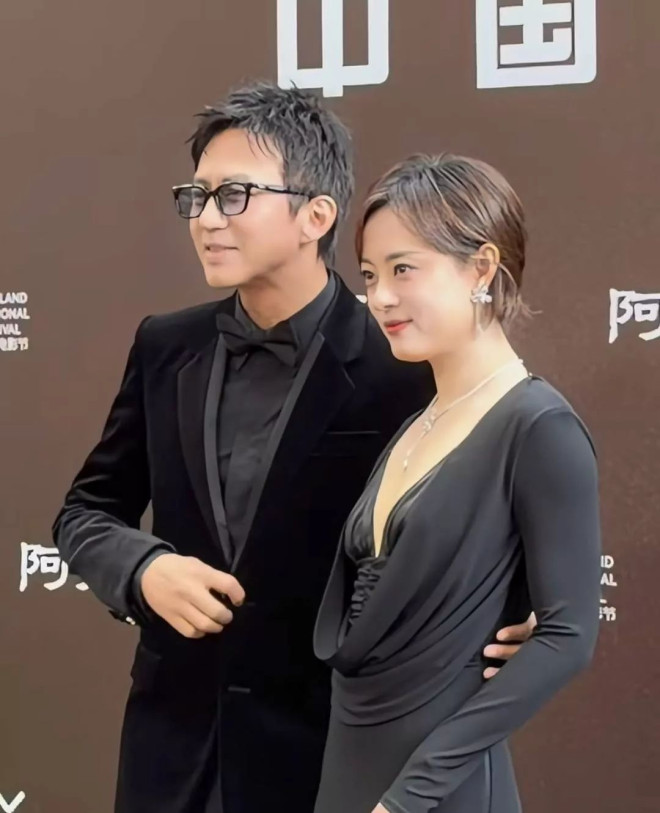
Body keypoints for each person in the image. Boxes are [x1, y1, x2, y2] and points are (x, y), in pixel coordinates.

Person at [52, 84, 535, 813]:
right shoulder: (165, 346)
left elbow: (491, 531)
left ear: (317, 215)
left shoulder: (400, 362)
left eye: (234, 195)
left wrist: (520, 614)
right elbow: (86, 511)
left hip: (329, 754)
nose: (206, 219)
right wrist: (144, 569)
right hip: (170, 751)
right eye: (196, 196)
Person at [312, 153, 602, 813]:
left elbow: (568, 636)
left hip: (437, 789)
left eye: (404, 269)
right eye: (369, 275)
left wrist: (410, 795)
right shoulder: (415, 426)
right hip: (349, 770)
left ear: (481, 268)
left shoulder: (540, 427)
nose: (380, 297)